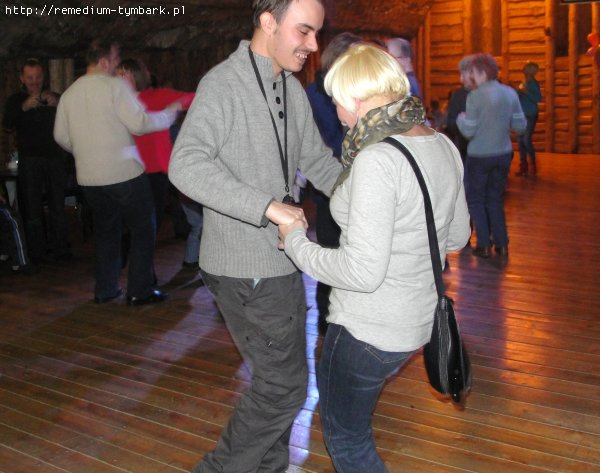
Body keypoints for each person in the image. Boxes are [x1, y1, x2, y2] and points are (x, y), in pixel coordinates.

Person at [278, 43, 471, 473]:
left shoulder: (376, 159)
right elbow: (457, 236)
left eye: (337, 101)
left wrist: (295, 241)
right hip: (417, 320)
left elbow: (360, 273)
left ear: (357, 98)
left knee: (348, 443)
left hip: (367, 329)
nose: (337, 114)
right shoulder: (441, 144)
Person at [168, 0, 342, 470]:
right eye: (304, 31)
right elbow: (185, 165)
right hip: (244, 266)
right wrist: (266, 206)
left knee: (276, 386)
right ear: (268, 22)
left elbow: (319, 162)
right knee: (284, 388)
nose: (313, 45)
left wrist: (375, 196)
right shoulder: (224, 84)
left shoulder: (291, 88)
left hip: (281, 259)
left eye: (316, 33)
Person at [53, 39, 179, 305]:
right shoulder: (114, 86)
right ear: (103, 62)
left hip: (88, 178)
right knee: (144, 228)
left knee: (106, 232)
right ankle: (139, 291)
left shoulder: (69, 94)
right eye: (115, 58)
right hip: (124, 174)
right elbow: (139, 123)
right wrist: (168, 115)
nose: (117, 63)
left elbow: (60, 136)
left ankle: (106, 289)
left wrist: (86, 151)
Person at [306, 31, 362, 334]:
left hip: (354, 181)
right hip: (330, 183)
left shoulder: (349, 89)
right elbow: (324, 143)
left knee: (353, 251)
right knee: (331, 252)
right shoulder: (317, 94)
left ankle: (345, 319)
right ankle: (327, 321)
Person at [2, 58, 71, 266]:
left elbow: (72, 120)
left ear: (44, 77)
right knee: (32, 208)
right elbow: (7, 126)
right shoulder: (15, 100)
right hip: (30, 159)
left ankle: (61, 250)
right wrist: (23, 107)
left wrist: (58, 104)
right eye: (30, 77)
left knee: (57, 206)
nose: (34, 81)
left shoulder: (54, 97)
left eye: (38, 77)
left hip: (54, 157)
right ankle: (36, 253)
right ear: (22, 79)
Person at [457, 53, 526, 258]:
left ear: (480, 72)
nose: (470, 76)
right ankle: (502, 244)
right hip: (503, 153)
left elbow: (468, 131)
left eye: (472, 72)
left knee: (476, 200)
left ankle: (484, 244)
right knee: (495, 198)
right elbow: (520, 126)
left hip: (479, 156)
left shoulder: (475, 96)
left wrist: (461, 119)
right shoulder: (510, 93)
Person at [116, 59, 195, 233]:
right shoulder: (115, 103)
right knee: (131, 226)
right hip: (127, 172)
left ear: (136, 76)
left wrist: (178, 104)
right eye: (118, 74)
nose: (119, 79)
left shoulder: (155, 96)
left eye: (124, 74)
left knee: (149, 226)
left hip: (154, 171)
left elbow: (194, 97)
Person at [445, 55, 474, 162]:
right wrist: (460, 121)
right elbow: (450, 122)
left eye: (463, 75)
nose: (461, 79)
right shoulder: (458, 95)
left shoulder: (488, 94)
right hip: (464, 152)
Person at [515, 61, 542, 177]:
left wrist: (526, 92)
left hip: (530, 115)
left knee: (526, 140)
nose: (524, 69)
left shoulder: (534, 84)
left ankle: (533, 165)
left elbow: (538, 98)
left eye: (527, 68)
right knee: (520, 141)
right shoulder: (524, 82)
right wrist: (517, 92)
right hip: (522, 115)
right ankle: (523, 166)